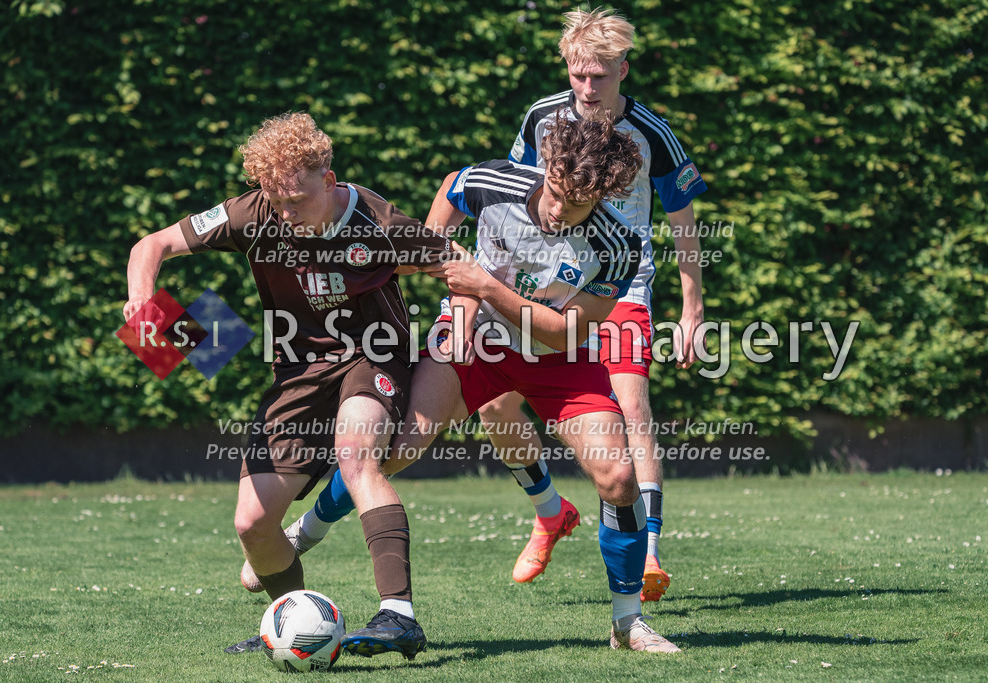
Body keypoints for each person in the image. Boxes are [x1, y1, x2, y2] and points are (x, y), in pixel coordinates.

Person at [276, 111, 683, 653]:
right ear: (546, 168)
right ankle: (305, 531)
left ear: (603, 197)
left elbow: (564, 333)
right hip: (474, 346)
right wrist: (436, 256)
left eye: (577, 205)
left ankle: (626, 622)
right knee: (394, 452)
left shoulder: (618, 244)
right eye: (556, 192)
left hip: (560, 359)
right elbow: (451, 189)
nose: (558, 211)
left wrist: (484, 288)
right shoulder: (494, 183)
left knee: (617, 476)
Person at [123, 111, 458, 660]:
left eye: (297, 201)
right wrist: (142, 300)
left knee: (356, 456)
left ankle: (399, 617)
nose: (285, 214)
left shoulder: (378, 223)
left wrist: (455, 340)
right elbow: (150, 246)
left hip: (371, 356)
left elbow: (455, 265)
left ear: (328, 182)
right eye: (275, 201)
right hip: (297, 372)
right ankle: (293, 624)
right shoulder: (255, 212)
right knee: (252, 524)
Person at [479, 7, 709, 600]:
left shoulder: (653, 133)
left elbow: (684, 222)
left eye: (599, 76)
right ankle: (550, 510)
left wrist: (692, 312)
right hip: (543, 285)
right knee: (495, 406)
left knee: (630, 407)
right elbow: (514, 194)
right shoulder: (540, 118)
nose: (587, 87)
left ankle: (649, 550)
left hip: (620, 286)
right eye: (578, 74)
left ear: (623, 70)